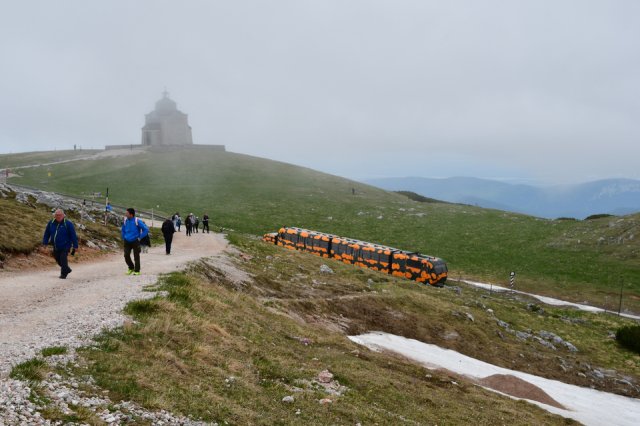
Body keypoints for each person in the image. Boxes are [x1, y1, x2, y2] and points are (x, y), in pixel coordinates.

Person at [42, 209, 79, 279]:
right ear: (54, 215)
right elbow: (47, 233)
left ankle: (63, 274)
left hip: (65, 245)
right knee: (57, 259)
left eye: (59, 215)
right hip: (55, 245)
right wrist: (45, 242)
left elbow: (73, 235)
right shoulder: (51, 223)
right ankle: (67, 269)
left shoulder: (68, 224)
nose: (58, 216)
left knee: (63, 259)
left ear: (63, 215)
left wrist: (75, 245)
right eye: (56, 215)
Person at [121, 208, 149, 276]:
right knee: (126, 255)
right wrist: (123, 237)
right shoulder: (125, 221)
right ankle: (131, 268)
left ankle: (137, 271)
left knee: (136, 256)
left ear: (131, 214)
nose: (125, 214)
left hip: (135, 241)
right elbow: (123, 230)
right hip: (127, 241)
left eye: (127, 213)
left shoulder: (137, 221)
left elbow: (146, 229)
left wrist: (140, 237)